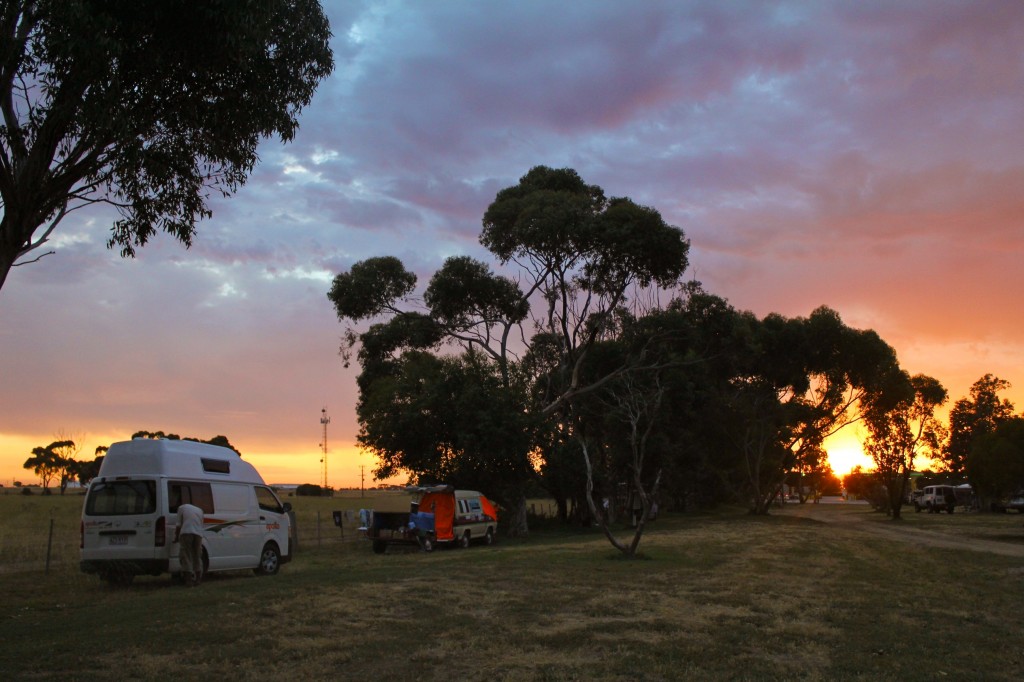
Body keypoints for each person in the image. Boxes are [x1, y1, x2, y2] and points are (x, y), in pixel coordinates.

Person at [175, 502, 205, 586]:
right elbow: (201, 524)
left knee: (186, 555)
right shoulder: (200, 510)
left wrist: (176, 537)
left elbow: (178, 525)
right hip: (198, 534)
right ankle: (198, 579)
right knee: (197, 555)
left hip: (186, 532)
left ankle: (188, 581)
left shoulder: (181, 508)